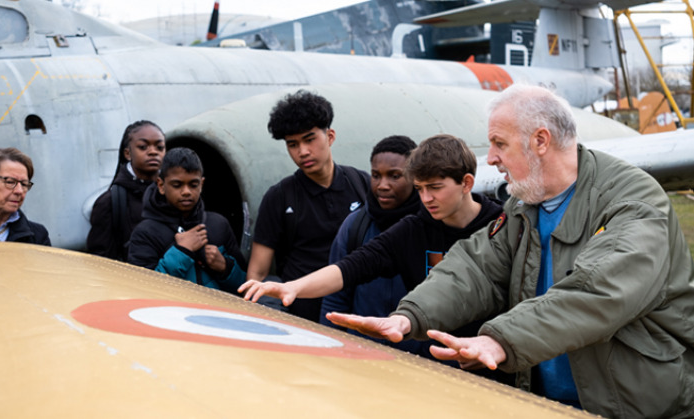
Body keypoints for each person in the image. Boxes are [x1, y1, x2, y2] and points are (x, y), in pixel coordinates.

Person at [323, 85, 694, 418]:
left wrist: (499, 339)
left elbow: (598, 291)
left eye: (500, 144)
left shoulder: (633, 201)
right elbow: (474, 268)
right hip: (544, 403)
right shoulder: (523, 206)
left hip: (631, 407)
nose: (492, 159)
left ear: (541, 140)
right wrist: (409, 317)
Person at [242, 134, 506, 373]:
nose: (426, 199)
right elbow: (354, 266)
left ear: (466, 183)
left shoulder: (503, 226)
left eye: (435, 188)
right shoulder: (414, 229)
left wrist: (498, 343)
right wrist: (294, 287)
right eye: (420, 188)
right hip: (430, 370)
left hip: (491, 365)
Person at [247, 90, 369, 321]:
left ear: (330, 136)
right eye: (292, 144)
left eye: (310, 139)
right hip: (302, 315)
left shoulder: (361, 184)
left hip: (356, 310)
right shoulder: (279, 197)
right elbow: (258, 273)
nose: (302, 151)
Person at [320, 135, 422, 343]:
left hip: (422, 359)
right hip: (362, 354)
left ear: (415, 178)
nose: (383, 185)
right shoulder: (355, 226)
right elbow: (335, 299)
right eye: (376, 175)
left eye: (395, 176)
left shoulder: (432, 227)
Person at [128, 147, 246, 294]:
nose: (186, 192)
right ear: (161, 185)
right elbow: (142, 289)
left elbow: (246, 285)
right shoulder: (145, 233)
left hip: (217, 314)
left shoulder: (218, 224)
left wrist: (225, 267)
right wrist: (181, 252)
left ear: (202, 184)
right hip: (171, 315)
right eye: (177, 185)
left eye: (193, 185)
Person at [87, 120, 165, 261]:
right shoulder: (109, 202)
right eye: (143, 147)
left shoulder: (172, 195)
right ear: (128, 154)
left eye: (159, 147)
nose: (153, 152)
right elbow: (100, 260)